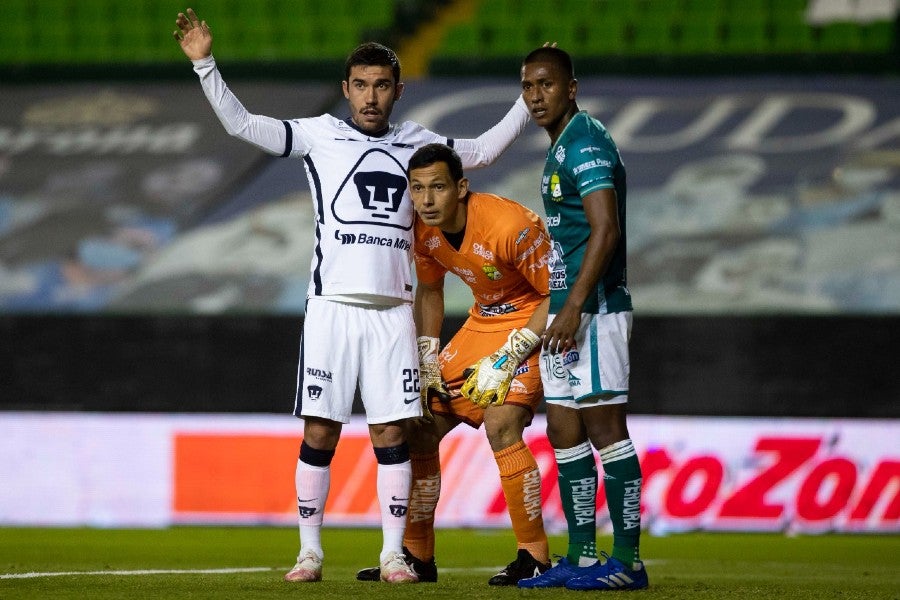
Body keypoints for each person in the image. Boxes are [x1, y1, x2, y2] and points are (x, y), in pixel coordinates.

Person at [173, 8, 531, 584]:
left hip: (393, 314)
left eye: (381, 86)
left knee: (392, 433)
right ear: (345, 90)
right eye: (360, 86)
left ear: (398, 90)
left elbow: (485, 150)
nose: (370, 97)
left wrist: (524, 96)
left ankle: (393, 554)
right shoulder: (319, 134)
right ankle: (309, 553)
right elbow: (243, 125)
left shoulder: (419, 143)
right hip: (331, 309)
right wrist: (205, 64)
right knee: (320, 430)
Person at [355, 143, 553, 585]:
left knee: (502, 423)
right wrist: (427, 357)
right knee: (419, 425)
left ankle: (535, 556)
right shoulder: (422, 231)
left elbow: (558, 293)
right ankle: (418, 558)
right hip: (482, 321)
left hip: (535, 321)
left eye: (438, 187)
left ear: (461, 188)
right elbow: (429, 290)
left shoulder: (511, 226)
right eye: (418, 188)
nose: (426, 200)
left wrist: (513, 352)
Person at [515, 47, 649, 591]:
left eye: (546, 84)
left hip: (594, 310)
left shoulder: (586, 141)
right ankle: (585, 557)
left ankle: (629, 562)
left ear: (571, 87)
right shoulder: (561, 147)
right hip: (568, 313)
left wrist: (573, 307)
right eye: (528, 86)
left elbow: (606, 229)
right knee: (564, 429)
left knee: (604, 428)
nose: (536, 95)